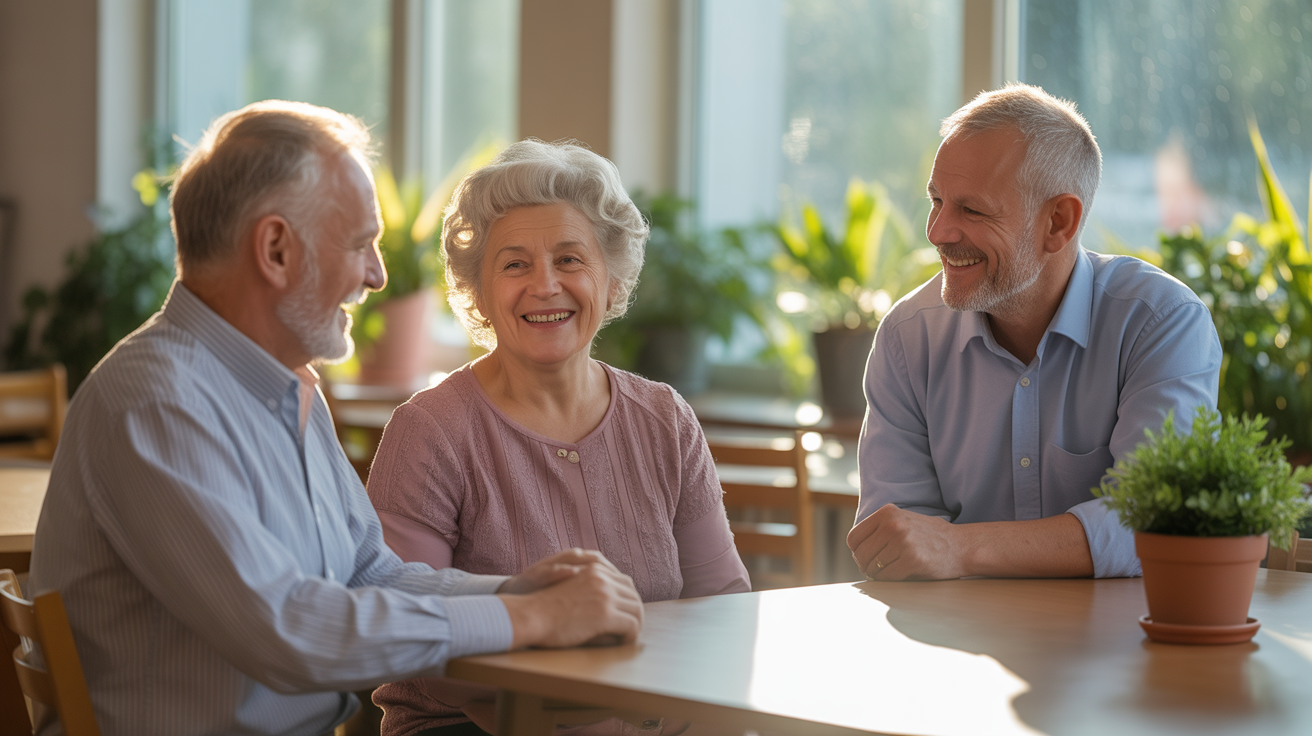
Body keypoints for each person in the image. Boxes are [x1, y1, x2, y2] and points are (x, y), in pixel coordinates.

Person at [26, 101, 643, 736]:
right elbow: (288, 630)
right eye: (359, 244)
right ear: (274, 249)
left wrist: (518, 594)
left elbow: (369, 575)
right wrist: (534, 621)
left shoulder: (287, 387)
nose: (376, 275)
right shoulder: (156, 398)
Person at [365, 139, 751, 735]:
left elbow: (723, 609)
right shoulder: (429, 430)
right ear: (480, 292)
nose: (545, 285)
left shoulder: (665, 419)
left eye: (570, 259)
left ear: (610, 277)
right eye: (515, 264)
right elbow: (411, 631)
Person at [847, 84, 1222, 582]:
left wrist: (959, 547)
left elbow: (1159, 521)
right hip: (961, 645)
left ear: (1059, 223)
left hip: (1123, 650)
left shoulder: (1161, 322)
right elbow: (898, 541)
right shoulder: (907, 336)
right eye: (936, 201)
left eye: (972, 210)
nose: (937, 231)